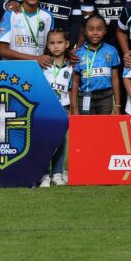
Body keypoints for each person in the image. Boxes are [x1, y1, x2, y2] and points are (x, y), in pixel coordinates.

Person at [69, 13, 122, 116]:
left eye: (99, 29)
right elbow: (75, 82)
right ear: (85, 31)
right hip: (84, 97)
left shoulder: (112, 51)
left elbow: (115, 79)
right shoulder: (79, 53)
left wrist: (118, 105)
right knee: (88, 129)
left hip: (106, 98)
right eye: (91, 29)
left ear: (105, 31)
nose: (95, 33)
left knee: (105, 128)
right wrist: (74, 108)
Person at [40, 30, 73, 187]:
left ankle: (58, 173)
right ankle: (45, 174)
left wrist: (73, 107)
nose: (56, 46)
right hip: (46, 109)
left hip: (63, 108)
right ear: (47, 45)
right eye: (52, 43)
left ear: (66, 44)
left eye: (59, 43)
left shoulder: (71, 66)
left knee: (61, 140)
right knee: (46, 141)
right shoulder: (43, 64)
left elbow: (73, 88)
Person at [0, 0, 53, 65]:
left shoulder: (47, 16)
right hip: (13, 71)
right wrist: (35, 59)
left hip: (37, 71)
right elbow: (2, 50)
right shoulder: (10, 14)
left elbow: (48, 48)